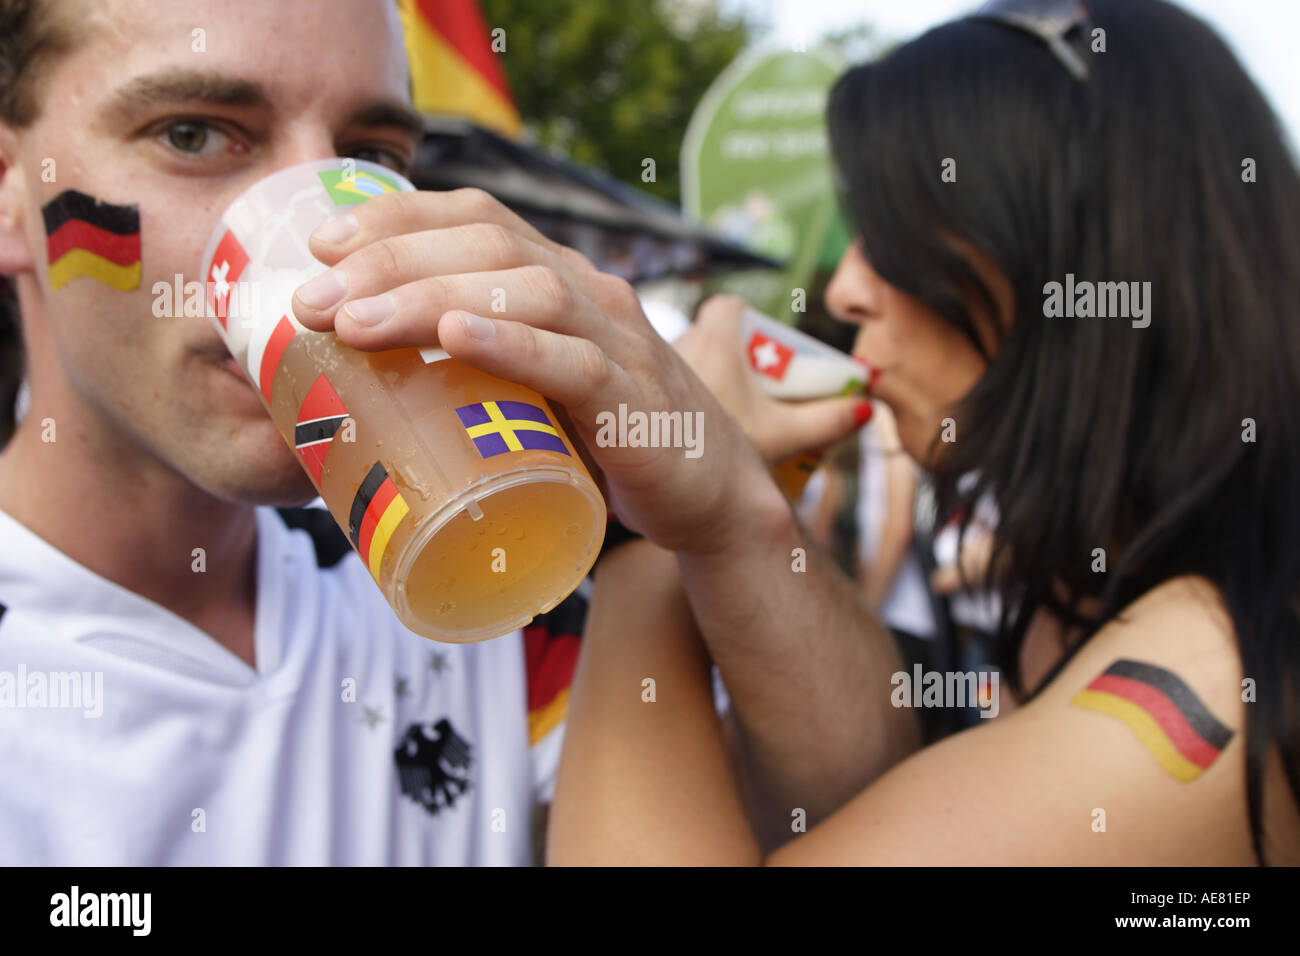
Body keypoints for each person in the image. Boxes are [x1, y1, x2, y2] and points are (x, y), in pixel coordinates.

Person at [545, 0, 1300, 864]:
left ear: (1077, 251)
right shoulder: (1114, 600)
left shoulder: (1203, 679)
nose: (845, 290)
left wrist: (652, 520)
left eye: (894, 228)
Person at [0, 0, 598, 865]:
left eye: (369, 158)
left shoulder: (489, 581)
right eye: (195, 135)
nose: (331, 244)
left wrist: (726, 527)